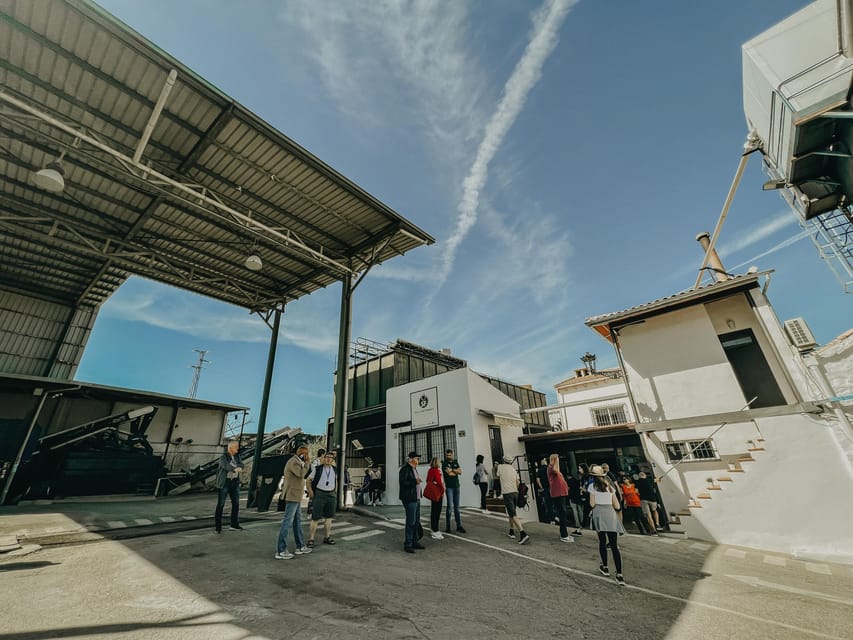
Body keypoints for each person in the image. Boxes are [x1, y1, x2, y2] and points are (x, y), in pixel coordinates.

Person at [589, 465, 626, 586]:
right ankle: (620, 574)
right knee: (614, 545)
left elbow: (592, 503)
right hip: (610, 513)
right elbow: (617, 506)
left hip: (599, 513)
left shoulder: (592, 487)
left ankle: (604, 567)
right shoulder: (610, 487)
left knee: (602, 542)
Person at [275, 446, 313, 559]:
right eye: (306, 454)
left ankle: (300, 546)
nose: (307, 456)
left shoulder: (297, 462)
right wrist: (307, 463)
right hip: (292, 496)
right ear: (302, 454)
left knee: (297, 521)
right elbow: (301, 474)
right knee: (287, 522)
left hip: (296, 496)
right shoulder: (294, 462)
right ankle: (281, 550)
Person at [496, 455, 530, 545]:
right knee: (512, 512)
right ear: (511, 461)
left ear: (503, 460)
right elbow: (518, 482)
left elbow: (498, 477)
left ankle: (523, 533)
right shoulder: (513, 469)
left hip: (507, 492)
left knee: (513, 513)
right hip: (515, 492)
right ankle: (511, 531)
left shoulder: (500, 467)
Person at [306, 452, 337, 547]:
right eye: (327, 457)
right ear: (323, 458)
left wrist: (335, 491)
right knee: (315, 517)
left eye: (331, 458)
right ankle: (311, 539)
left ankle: (327, 537)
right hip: (320, 493)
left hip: (331, 494)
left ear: (333, 460)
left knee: (329, 517)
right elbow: (308, 480)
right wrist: (310, 492)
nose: (328, 459)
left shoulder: (335, 469)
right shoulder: (318, 469)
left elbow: (336, 480)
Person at [399, 451, 425, 553]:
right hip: (409, 499)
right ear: (411, 459)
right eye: (417, 458)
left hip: (416, 498)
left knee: (416, 521)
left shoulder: (414, 469)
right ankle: (408, 544)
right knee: (411, 521)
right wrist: (415, 481)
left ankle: (415, 541)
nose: (418, 460)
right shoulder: (405, 469)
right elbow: (403, 482)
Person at [214, 440, 243, 533]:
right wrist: (236, 468)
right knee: (221, 504)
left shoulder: (237, 456)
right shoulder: (223, 457)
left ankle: (234, 524)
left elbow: (242, 465)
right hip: (225, 483)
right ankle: (218, 527)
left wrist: (237, 467)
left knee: (236, 504)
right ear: (230, 448)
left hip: (234, 482)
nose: (237, 449)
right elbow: (226, 467)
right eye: (236, 447)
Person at [547, 454, 573, 543]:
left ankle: (564, 533)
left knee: (563, 513)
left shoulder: (554, 469)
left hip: (560, 493)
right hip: (558, 494)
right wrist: (556, 462)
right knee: (562, 513)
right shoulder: (551, 468)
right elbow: (555, 470)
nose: (558, 461)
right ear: (554, 460)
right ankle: (564, 535)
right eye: (557, 459)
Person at [442, 449, 466, 533]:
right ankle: (448, 527)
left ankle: (459, 526)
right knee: (449, 507)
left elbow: (460, 472)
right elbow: (449, 474)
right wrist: (455, 471)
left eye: (450, 455)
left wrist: (452, 470)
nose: (448, 456)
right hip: (449, 488)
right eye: (447, 455)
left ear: (452, 454)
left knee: (457, 508)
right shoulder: (444, 463)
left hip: (457, 487)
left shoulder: (455, 462)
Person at [426, 456, 446, 539]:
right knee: (437, 511)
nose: (440, 463)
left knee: (433, 511)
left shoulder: (430, 470)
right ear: (437, 462)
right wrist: (443, 491)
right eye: (439, 462)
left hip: (433, 494)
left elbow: (428, 480)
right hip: (438, 493)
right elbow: (439, 482)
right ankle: (435, 531)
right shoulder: (436, 471)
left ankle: (433, 529)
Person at [305, 448, 325, 516]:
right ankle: (310, 512)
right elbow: (313, 471)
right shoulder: (316, 461)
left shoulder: (321, 461)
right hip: (314, 483)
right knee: (312, 497)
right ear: (322, 454)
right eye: (324, 454)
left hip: (320, 482)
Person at [535, 458, 553, 523]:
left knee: (548, 504)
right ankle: (556, 517)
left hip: (545, 489)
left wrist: (541, 487)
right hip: (551, 488)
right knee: (554, 502)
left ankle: (550, 519)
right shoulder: (549, 469)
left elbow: (537, 480)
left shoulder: (539, 470)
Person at [567, 471, 584, 536]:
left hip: (572, 497)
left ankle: (577, 524)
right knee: (580, 509)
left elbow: (568, 489)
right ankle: (582, 522)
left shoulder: (568, 482)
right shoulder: (576, 480)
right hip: (578, 497)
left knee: (574, 510)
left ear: (568, 476)